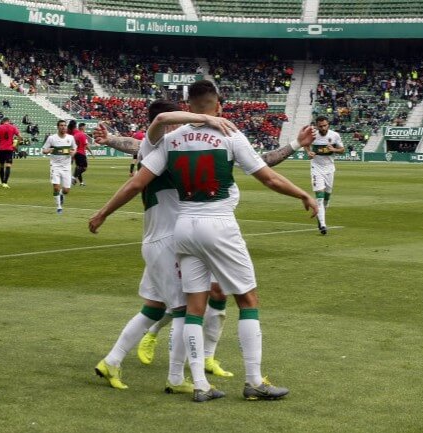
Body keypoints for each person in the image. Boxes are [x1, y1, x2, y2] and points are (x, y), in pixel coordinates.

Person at [89, 80, 317, 402]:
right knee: (244, 300)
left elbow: (136, 179)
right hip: (213, 224)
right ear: (216, 105)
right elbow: (266, 173)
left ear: (188, 107)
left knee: (186, 307)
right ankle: (252, 380)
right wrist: (303, 193)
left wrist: (102, 210)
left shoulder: (168, 143)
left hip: (181, 228)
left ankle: (196, 381)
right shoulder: (227, 134)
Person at [307, 115, 344, 235]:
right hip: (316, 168)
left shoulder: (334, 135)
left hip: (329, 169)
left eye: (325, 125)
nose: (323, 128)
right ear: (317, 126)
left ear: (328, 124)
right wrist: (309, 152)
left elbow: (342, 149)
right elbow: (305, 144)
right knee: (320, 197)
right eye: (320, 126)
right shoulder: (313, 135)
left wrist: (334, 150)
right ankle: (322, 225)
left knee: (327, 198)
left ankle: (321, 216)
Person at [42, 120, 76, 214]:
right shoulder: (51, 138)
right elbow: (44, 150)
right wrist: (49, 150)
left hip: (66, 167)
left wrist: (73, 152)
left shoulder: (71, 138)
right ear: (58, 127)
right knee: (56, 187)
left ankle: (61, 194)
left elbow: (74, 148)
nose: (63, 127)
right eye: (61, 125)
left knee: (66, 190)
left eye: (65, 125)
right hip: (55, 166)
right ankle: (59, 207)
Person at [0, 118, 21, 188]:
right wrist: (16, 146)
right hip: (9, 149)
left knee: (1, 165)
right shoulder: (13, 127)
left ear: (3, 121)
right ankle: (5, 183)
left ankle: (2, 181)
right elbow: (20, 137)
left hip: (1, 149)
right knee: (8, 165)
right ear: (9, 121)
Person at [69, 121, 93, 186]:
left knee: (78, 167)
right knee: (84, 168)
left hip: (76, 152)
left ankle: (80, 182)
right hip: (81, 153)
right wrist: (91, 153)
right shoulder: (82, 134)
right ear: (82, 127)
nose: (85, 128)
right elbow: (86, 145)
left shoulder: (75, 135)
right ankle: (73, 177)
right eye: (85, 127)